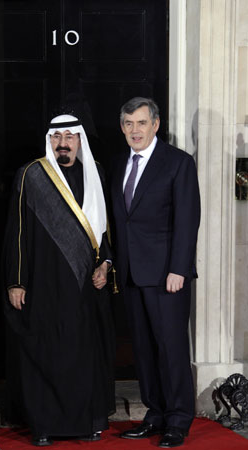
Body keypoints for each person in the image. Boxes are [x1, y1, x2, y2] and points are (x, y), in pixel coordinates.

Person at [3, 114, 115, 446]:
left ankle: (87, 423)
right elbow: (17, 232)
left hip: (85, 286)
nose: (63, 143)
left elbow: (105, 232)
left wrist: (106, 265)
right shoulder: (31, 175)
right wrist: (16, 281)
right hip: (43, 283)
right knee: (46, 350)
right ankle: (44, 426)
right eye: (56, 137)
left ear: (80, 140)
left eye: (69, 136)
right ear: (49, 140)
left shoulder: (95, 174)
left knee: (84, 354)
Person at [110, 97, 200, 448]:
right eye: (129, 123)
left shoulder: (178, 163)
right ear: (122, 127)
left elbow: (187, 220)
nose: (135, 130)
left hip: (167, 276)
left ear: (156, 124)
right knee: (143, 350)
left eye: (141, 122)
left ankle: (178, 419)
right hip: (132, 274)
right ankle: (155, 414)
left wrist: (179, 268)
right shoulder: (119, 164)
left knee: (171, 348)